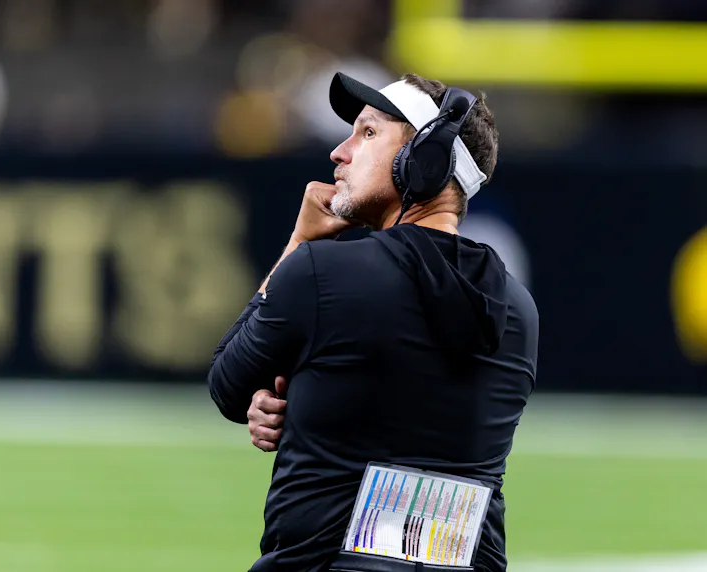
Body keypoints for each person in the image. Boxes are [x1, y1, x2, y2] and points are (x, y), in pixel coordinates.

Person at [207, 71, 539, 572]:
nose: (339, 153)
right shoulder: (518, 308)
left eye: (367, 133)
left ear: (422, 161)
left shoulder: (321, 272)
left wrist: (301, 243)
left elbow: (228, 384)